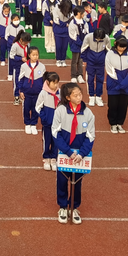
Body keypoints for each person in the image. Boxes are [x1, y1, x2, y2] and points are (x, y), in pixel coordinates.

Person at [52, 82, 95, 225]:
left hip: (80, 155)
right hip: (65, 153)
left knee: (77, 181)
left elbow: (90, 136)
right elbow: (55, 133)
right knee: (63, 180)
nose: (79, 97)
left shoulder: (88, 113)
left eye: (80, 94)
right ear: (68, 97)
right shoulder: (60, 111)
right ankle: (63, 207)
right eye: (75, 95)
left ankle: (74, 207)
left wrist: (82, 154)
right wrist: (68, 152)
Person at [104, 37, 128, 133]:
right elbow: (109, 69)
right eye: (120, 47)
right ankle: (113, 123)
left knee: (123, 105)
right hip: (113, 83)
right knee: (113, 105)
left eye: (124, 47)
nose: (122, 49)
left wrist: (124, 83)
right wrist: (119, 82)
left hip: (125, 84)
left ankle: (120, 124)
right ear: (116, 45)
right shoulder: (109, 54)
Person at [36, 71, 62, 170]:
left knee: (56, 141)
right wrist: (45, 118)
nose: (56, 85)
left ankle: (53, 158)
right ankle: (46, 158)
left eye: (57, 83)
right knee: (47, 141)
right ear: (48, 82)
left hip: (57, 124)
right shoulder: (43, 93)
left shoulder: (60, 93)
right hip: (47, 123)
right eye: (54, 83)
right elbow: (38, 107)